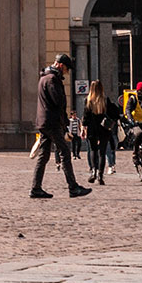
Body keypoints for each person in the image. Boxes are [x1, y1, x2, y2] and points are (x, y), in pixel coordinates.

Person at [30, 54, 92, 199]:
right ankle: (73, 187)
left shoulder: (44, 78)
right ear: (60, 65)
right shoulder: (52, 79)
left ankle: (36, 188)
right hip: (52, 122)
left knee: (44, 156)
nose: (67, 72)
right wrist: (64, 124)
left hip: (44, 121)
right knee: (64, 152)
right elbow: (58, 103)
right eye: (66, 69)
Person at [82, 80, 118, 185]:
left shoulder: (88, 100)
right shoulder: (105, 100)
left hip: (92, 129)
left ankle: (93, 172)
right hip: (104, 129)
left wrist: (83, 129)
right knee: (102, 152)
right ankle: (100, 176)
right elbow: (115, 112)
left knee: (93, 151)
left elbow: (86, 116)